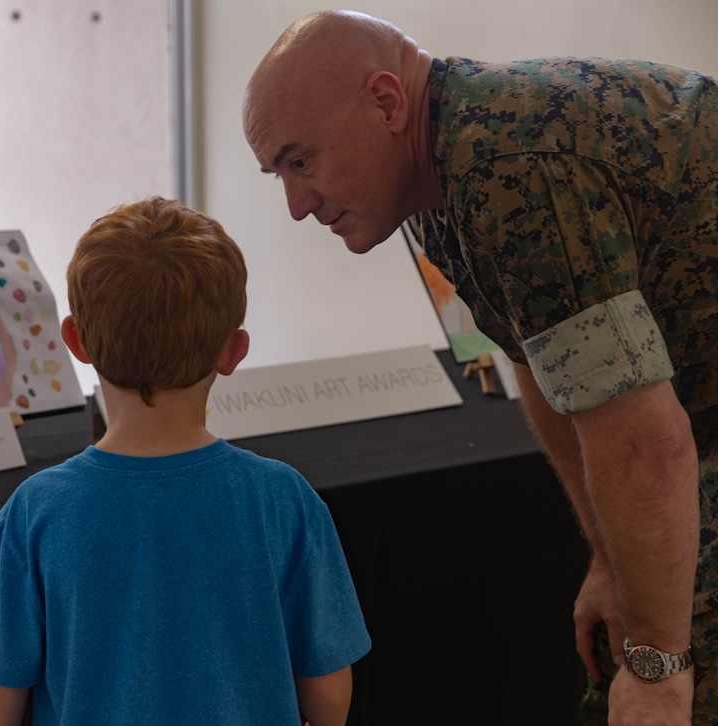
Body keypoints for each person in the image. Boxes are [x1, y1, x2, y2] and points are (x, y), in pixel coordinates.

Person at [242, 9, 718, 726]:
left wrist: (659, 672)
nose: (297, 205)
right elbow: (538, 359)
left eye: (300, 161)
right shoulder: (440, 175)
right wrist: (609, 560)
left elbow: (646, 448)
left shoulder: (509, 168)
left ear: (386, 101)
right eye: (278, 173)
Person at [0, 195, 371, 726]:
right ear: (233, 351)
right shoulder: (283, 499)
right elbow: (328, 692)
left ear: (76, 341)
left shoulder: (34, 512)